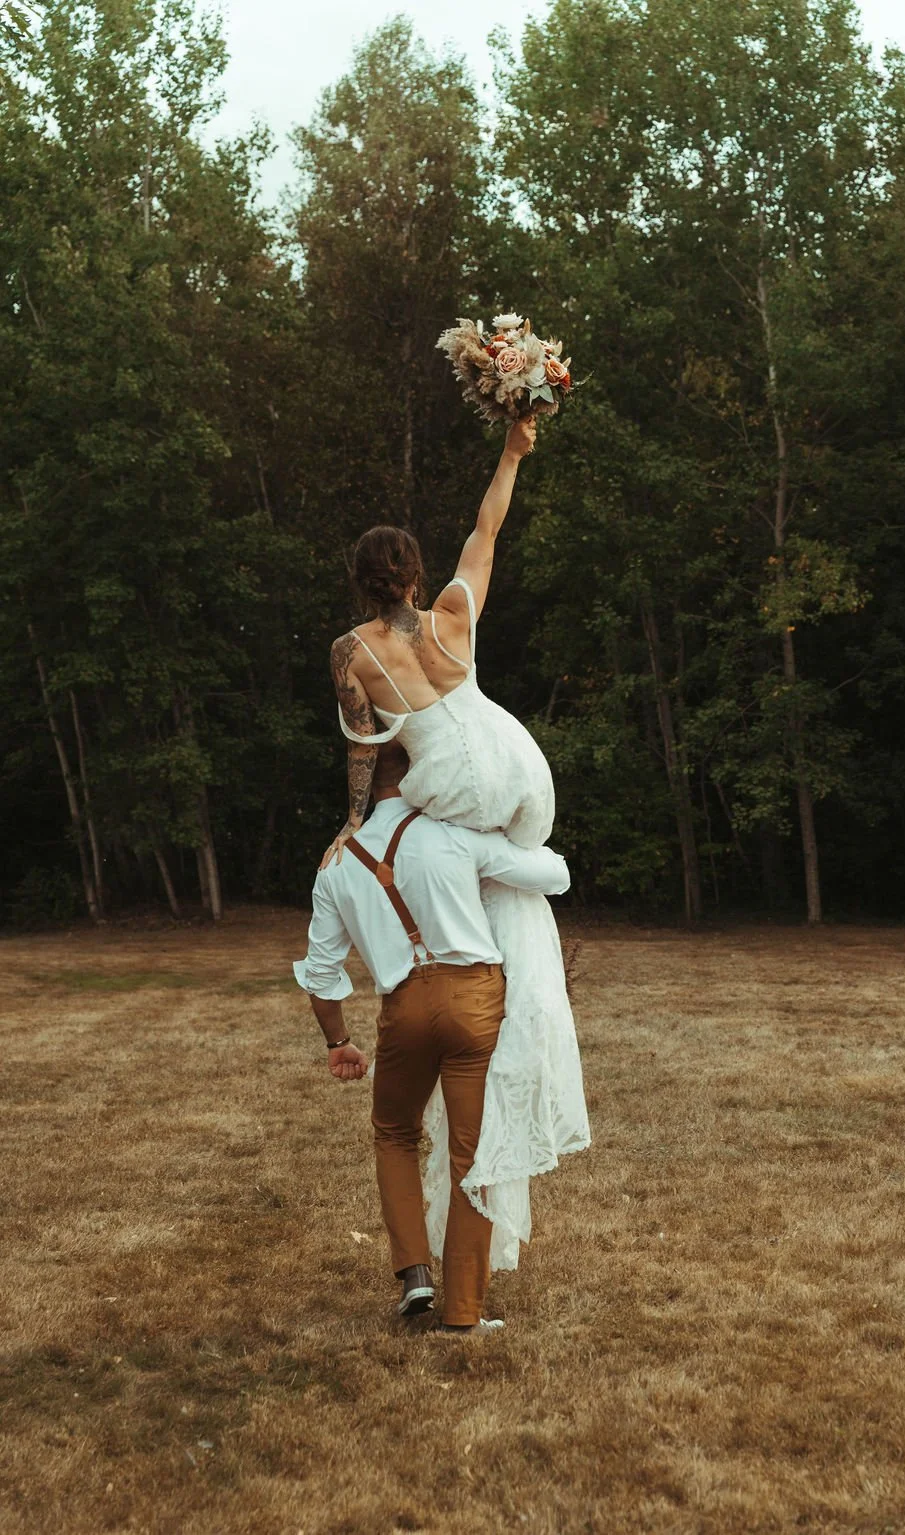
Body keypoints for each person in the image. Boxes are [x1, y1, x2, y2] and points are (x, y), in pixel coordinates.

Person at [323, 417, 590, 1272]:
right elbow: (488, 527)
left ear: (361, 583)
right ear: (413, 573)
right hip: (517, 768)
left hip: (455, 785)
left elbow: (366, 747)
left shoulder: (354, 650)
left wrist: (354, 822)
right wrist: (512, 450)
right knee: (514, 872)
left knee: (455, 866)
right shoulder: (451, 616)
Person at [294, 741, 571, 1333]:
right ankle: (464, 1311)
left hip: (404, 1008)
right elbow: (555, 875)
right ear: (423, 778)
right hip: (475, 1001)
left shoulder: (336, 863)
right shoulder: (454, 835)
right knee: (473, 1152)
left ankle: (414, 1272)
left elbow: (321, 975)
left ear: (366, 787)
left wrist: (337, 1041)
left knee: (395, 1134)